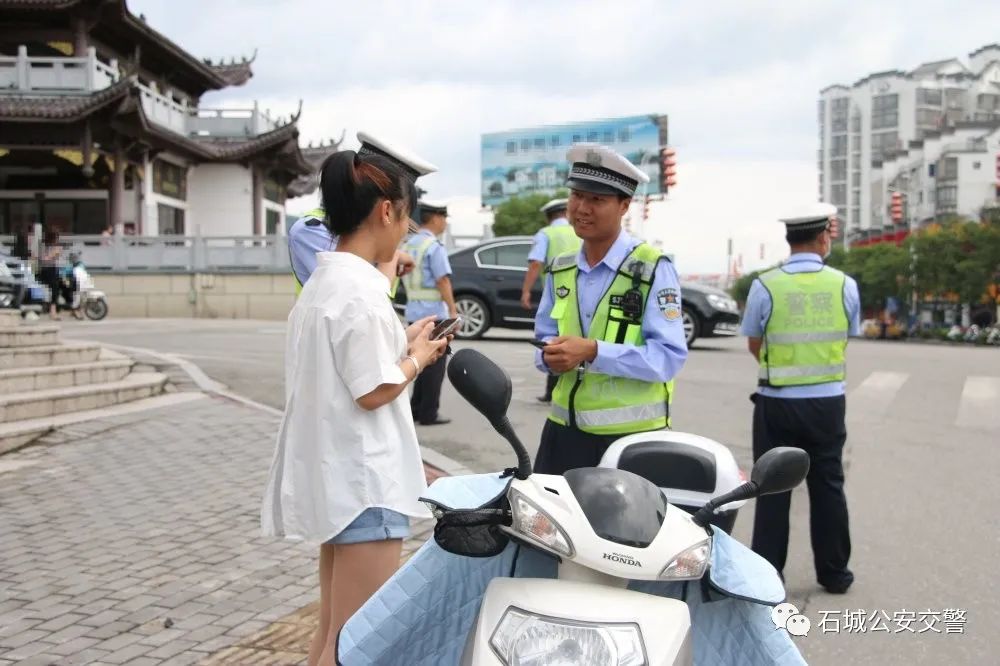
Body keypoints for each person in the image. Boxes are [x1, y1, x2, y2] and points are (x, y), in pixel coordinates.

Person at [260, 149, 449, 666]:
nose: (407, 229)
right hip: (367, 486)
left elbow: (349, 370)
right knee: (358, 645)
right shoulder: (360, 293)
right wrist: (417, 358)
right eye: (407, 216)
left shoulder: (327, 283)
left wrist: (403, 345)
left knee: (331, 635)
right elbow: (373, 390)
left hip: (340, 483)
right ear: (386, 211)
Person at [532, 144, 688, 474]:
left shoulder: (651, 269)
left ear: (624, 206)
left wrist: (592, 351)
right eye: (577, 196)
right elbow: (544, 337)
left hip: (631, 441)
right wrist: (549, 356)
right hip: (563, 433)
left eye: (597, 200)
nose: (581, 209)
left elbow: (668, 357)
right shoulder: (560, 269)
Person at [740, 202, 860, 595]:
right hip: (827, 403)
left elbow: (754, 342)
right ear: (824, 237)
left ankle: (767, 575)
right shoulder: (844, 285)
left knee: (771, 487)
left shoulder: (765, 284)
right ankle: (835, 574)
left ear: (789, 240)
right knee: (828, 484)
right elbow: (845, 337)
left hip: (777, 402)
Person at [287, 131, 436, 293]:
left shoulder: (359, 234)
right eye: (403, 213)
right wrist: (392, 258)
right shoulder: (311, 230)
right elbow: (360, 299)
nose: (406, 226)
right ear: (385, 210)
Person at [403, 199, 457, 426]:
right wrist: (453, 312)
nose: (444, 223)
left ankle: (415, 409)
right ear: (436, 218)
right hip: (435, 314)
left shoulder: (408, 244)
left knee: (418, 361)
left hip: (414, 312)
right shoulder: (433, 246)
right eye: (444, 218)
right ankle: (428, 413)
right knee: (434, 365)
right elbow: (442, 280)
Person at [521, 197, 581, 403]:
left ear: (548, 217)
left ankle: (554, 391)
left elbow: (536, 263)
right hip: (585, 294)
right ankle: (565, 389)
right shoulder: (579, 231)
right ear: (566, 213)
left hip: (559, 295)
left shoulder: (545, 234)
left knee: (553, 338)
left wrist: (526, 291)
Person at [37, 229, 64, 321]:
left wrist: (57, 254)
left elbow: (56, 259)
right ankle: (52, 312)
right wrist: (53, 254)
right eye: (56, 238)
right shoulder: (42, 245)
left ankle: (54, 311)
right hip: (45, 270)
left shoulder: (55, 247)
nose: (57, 240)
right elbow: (43, 259)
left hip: (53, 269)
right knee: (54, 289)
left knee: (58, 288)